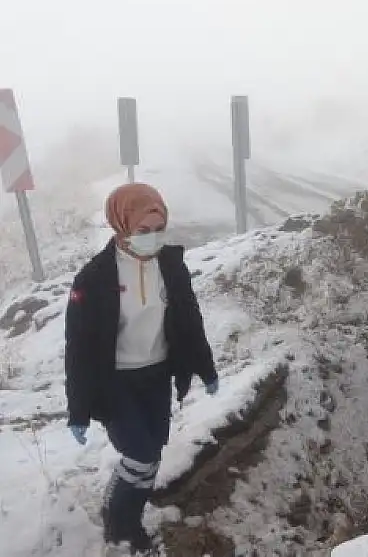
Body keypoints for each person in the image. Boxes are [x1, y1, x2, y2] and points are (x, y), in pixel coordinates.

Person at [64, 182, 219, 554]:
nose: (152, 239)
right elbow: (80, 348)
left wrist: (206, 368)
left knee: (153, 450)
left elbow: (188, 319)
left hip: (156, 376)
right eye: (143, 231)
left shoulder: (170, 266)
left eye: (158, 231)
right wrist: (79, 409)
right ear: (121, 227)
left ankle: (124, 512)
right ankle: (121, 525)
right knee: (141, 455)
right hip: (115, 381)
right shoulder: (95, 278)